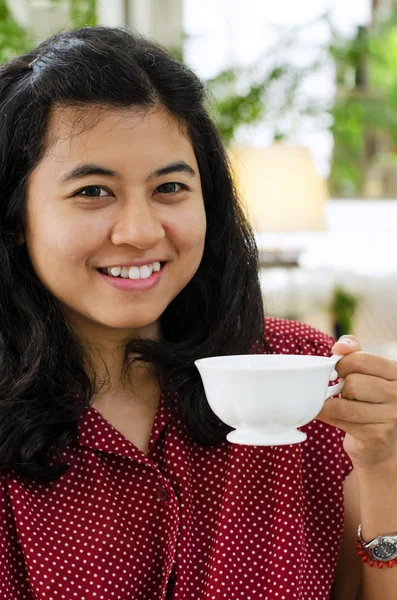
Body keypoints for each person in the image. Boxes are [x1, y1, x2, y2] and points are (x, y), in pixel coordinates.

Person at [0, 26, 397, 600]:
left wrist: (383, 464)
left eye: (170, 187)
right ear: (16, 216)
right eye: (92, 192)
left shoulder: (304, 377)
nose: (140, 232)